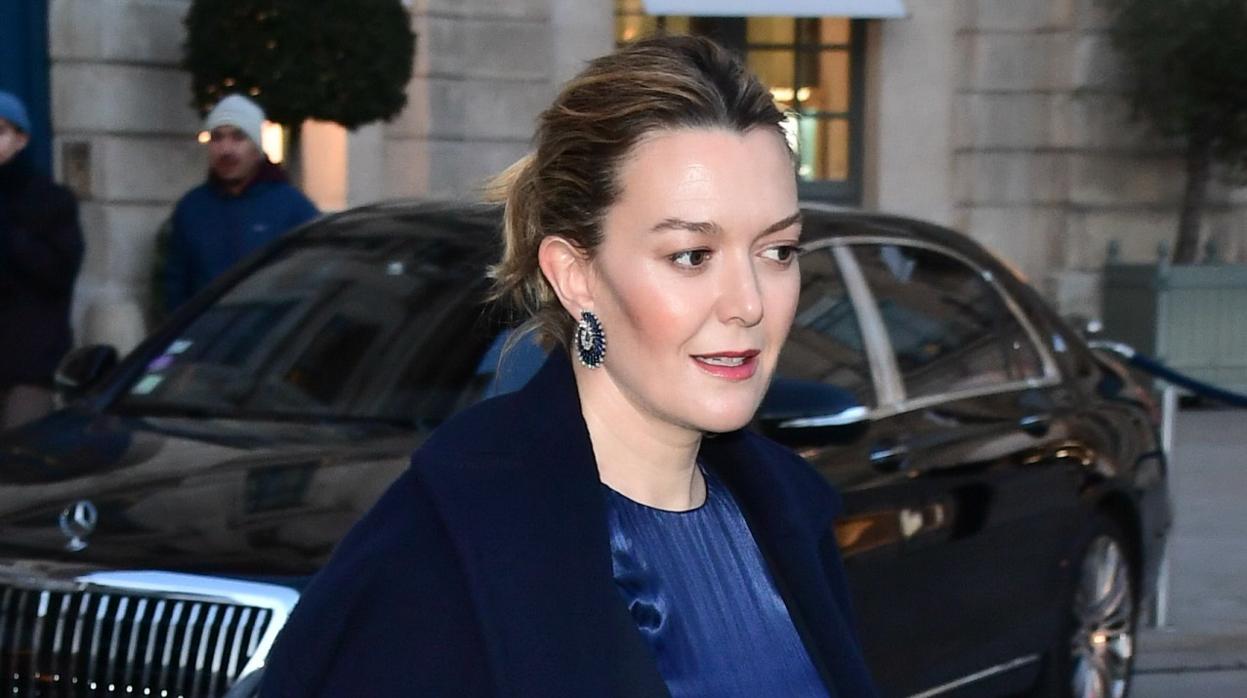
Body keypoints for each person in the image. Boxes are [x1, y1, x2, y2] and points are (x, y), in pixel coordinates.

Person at [260, 36, 878, 698]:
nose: (749, 303)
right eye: (691, 256)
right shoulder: (442, 554)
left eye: (778, 251)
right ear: (575, 275)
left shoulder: (788, 518)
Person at [163, 93, 318, 312]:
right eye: (217, 138)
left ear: (256, 149)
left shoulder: (293, 208)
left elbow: (314, 284)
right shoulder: (191, 209)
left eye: (238, 137)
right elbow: (176, 289)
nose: (226, 149)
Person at [0, 90, 84, 431]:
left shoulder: (50, 199)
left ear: (21, 139)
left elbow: (59, 273)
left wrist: (10, 233)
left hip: (29, 364)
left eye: (0, 131)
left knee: (20, 450)